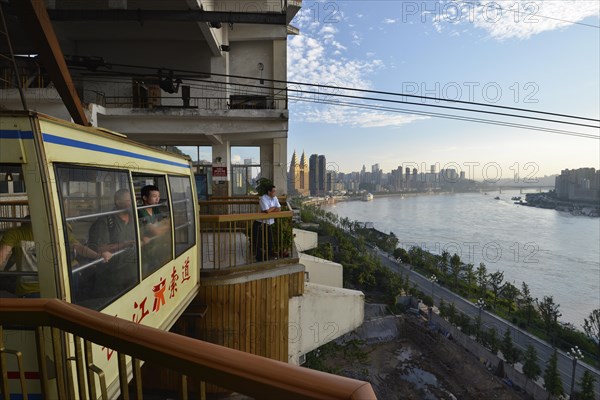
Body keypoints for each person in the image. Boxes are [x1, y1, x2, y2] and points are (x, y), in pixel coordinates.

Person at [88, 189, 137, 294]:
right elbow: (99, 247)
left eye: (133, 199)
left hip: (131, 271)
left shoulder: (134, 217)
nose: (132, 202)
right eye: (129, 200)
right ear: (118, 202)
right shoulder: (105, 221)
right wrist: (124, 244)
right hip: (111, 275)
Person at [138, 185, 170, 275]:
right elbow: (155, 231)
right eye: (154, 196)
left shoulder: (155, 208)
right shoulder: (141, 211)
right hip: (145, 249)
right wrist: (160, 228)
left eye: (158, 196)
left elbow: (168, 224)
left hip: (155, 245)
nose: (157, 199)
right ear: (145, 197)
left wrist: (159, 228)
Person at [0, 222, 39, 297]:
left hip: (27, 291)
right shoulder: (56, 231)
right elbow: (14, 258)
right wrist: (6, 270)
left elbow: (1, 256)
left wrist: (5, 271)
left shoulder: (15, 233)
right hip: (54, 289)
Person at [253, 184, 281, 261]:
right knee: (259, 242)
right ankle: (259, 259)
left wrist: (272, 209)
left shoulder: (274, 198)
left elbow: (279, 209)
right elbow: (266, 211)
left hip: (269, 223)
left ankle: (267, 257)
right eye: (274, 191)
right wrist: (273, 208)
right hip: (260, 223)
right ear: (269, 192)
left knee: (270, 242)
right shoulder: (263, 198)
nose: (275, 193)